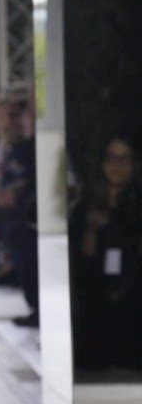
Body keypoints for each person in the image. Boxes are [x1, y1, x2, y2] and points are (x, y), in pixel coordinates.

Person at [70, 132, 142, 374]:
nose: (117, 166)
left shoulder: (137, 203)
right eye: (111, 158)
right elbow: (79, 264)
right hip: (95, 297)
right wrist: (92, 231)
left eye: (124, 159)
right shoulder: (86, 205)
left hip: (132, 295)